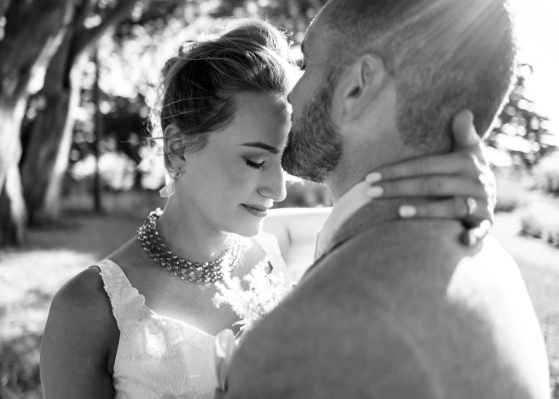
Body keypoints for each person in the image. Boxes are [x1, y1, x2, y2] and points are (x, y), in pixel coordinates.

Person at [40, 19, 497, 399]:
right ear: (178, 149)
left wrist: (462, 191)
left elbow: (384, 211)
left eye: (283, 163)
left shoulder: (279, 245)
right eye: (255, 160)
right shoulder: (88, 309)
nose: (278, 190)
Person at [220, 1, 551, 398]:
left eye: (306, 64)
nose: (290, 94)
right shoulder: (495, 264)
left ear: (357, 88)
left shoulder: (309, 337)